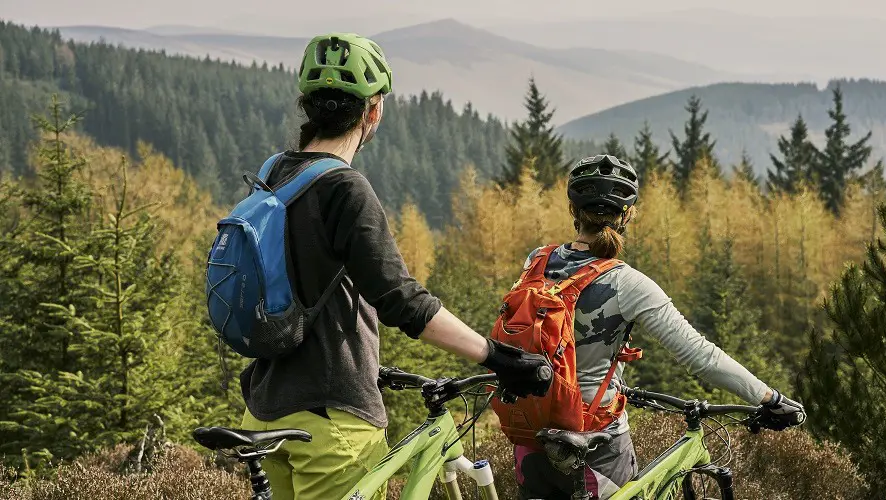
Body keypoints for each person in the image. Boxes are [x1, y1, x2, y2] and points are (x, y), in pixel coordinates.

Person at [239, 32, 550, 500]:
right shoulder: (345, 188)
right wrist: (498, 357)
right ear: (373, 111)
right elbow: (402, 300)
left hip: (265, 408)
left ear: (306, 105)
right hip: (332, 425)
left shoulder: (273, 173)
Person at [513, 154, 806, 500]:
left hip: (528, 431)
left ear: (574, 210)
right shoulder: (627, 283)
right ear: (626, 216)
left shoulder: (537, 260)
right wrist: (770, 398)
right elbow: (700, 355)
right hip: (595, 439)